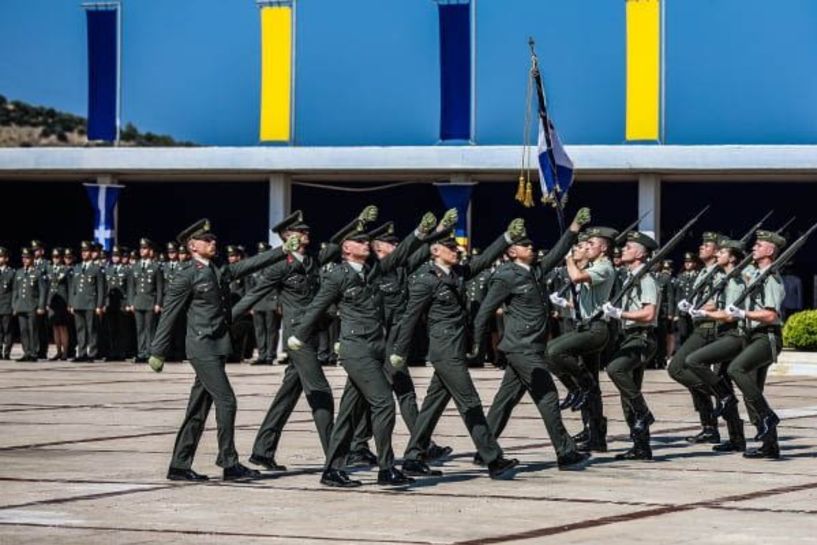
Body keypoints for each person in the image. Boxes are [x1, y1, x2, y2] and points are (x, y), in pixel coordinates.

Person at [288, 206, 437, 487]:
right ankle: (386, 468)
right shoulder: (338, 276)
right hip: (356, 349)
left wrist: (422, 233)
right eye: (360, 241)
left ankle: (332, 470)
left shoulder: (372, 271)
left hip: (377, 347)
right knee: (383, 404)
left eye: (367, 241)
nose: (366, 244)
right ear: (346, 247)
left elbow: (402, 252)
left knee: (348, 414)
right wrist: (299, 335)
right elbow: (318, 306)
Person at [148, 218, 294, 482]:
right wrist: (157, 350)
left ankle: (179, 465)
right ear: (193, 246)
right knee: (227, 401)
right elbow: (169, 314)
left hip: (216, 346)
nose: (213, 243)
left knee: (198, 409)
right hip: (201, 346)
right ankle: (228, 462)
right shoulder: (186, 275)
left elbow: (247, 266)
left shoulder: (216, 270)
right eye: (207, 240)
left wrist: (281, 251)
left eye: (213, 239)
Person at [389, 218, 528, 480]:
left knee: (431, 407)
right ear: (435, 250)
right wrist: (399, 351)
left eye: (456, 248)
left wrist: (507, 238)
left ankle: (413, 458)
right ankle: (493, 458)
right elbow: (409, 318)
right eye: (450, 248)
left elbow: (485, 260)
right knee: (470, 403)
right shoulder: (425, 281)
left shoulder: (457, 275)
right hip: (444, 350)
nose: (456, 251)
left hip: (454, 347)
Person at [471, 208, 591, 468]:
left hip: (530, 347)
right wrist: (476, 345)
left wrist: (573, 229)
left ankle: (485, 450)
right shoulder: (505, 276)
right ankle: (565, 451)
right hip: (521, 347)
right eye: (524, 245)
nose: (531, 247)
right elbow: (485, 312)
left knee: (505, 400)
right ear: (512, 251)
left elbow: (558, 253)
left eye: (531, 244)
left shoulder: (533, 271)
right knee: (547, 397)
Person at [230, 210, 337, 471]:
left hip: (311, 335)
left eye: (307, 231)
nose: (307, 234)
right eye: (301, 232)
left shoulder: (311, 259)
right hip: (297, 339)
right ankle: (337, 457)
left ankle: (262, 451)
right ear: (288, 236)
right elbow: (253, 295)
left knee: (287, 395)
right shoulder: (280, 265)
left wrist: (359, 223)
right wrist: (223, 321)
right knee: (321, 392)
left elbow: (336, 245)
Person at [547, 226, 619, 452]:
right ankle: (596, 434)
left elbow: (577, 277)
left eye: (591, 244)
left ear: (603, 248)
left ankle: (579, 387)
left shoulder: (605, 268)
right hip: (584, 326)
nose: (586, 248)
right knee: (594, 388)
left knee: (551, 351)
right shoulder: (592, 266)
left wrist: (569, 258)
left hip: (595, 330)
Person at [722, 230, 787, 459]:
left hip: (766, 336)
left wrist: (744, 313)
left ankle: (768, 416)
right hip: (752, 336)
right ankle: (770, 444)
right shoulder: (756, 273)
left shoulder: (771, 278)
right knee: (752, 391)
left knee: (735, 369)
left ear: (770, 251)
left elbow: (771, 315)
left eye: (759, 246)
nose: (753, 248)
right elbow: (737, 274)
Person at [682, 239, 750, 453]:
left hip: (731, 334)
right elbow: (718, 304)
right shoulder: (726, 279)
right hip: (722, 332)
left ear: (732, 257)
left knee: (694, 362)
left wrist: (704, 313)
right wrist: (697, 307)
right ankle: (737, 438)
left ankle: (724, 401)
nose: (718, 253)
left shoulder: (736, 280)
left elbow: (729, 314)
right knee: (724, 385)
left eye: (722, 251)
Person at [601, 231, 660, 460]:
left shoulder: (646, 279)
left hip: (643, 336)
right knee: (628, 395)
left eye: (628, 247)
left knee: (615, 368)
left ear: (640, 253)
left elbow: (648, 313)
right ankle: (641, 446)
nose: (623, 250)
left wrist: (620, 313)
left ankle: (644, 413)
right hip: (629, 336)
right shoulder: (629, 276)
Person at [670, 233, 724, 445]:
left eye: (707, 245)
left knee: (677, 367)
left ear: (718, 251)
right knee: (693, 374)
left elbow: (719, 301)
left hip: (709, 328)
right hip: (698, 326)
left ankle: (721, 393)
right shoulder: (703, 272)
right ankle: (709, 426)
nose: (701, 248)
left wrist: (697, 308)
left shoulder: (719, 274)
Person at [69, 241, 105, 362]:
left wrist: (99, 305)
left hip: (90, 303)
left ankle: (92, 353)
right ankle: (82, 353)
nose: (84, 253)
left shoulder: (96, 269)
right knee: (80, 329)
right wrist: (71, 303)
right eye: (83, 251)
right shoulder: (77, 267)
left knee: (91, 329)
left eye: (87, 251)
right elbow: (73, 288)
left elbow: (101, 289)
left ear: (91, 252)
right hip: (78, 302)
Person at [128, 238, 163, 363]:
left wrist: (158, 303)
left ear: (150, 250)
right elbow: (131, 287)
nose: (142, 251)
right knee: (140, 329)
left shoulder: (155, 267)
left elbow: (159, 287)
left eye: (145, 248)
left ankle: (149, 352)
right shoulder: (135, 266)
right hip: (138, 302)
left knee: (150, 329)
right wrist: (131, 302)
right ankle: (141, 352)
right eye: (141, 248)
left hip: (150, 302)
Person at [12, 248, 46, 362]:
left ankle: (34, 353)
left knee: (33, 330)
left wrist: (41, 306)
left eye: (27, 258)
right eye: (23, 258)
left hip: (32, 305)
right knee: (23, 330)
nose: (25, 260)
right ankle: (26, 352)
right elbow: (15, 291)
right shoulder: (19, 272)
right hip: (21, 305)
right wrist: (14, 305)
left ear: (32, 258)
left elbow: (42, 291)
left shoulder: (37, 272)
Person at [103, 246, 130, 361]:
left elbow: (129, 288)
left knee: (121, 329)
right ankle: (112, 352)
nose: (115, 258)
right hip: (110, 303)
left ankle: (121, 352)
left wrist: (128, 303)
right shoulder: (108, 269)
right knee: (111, 329)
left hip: (122, 304)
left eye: (117, 256)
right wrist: (103, 303)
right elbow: (105, 288)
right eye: (113, 256)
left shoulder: (126, 270)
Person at [46, 247, 71, 361]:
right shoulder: (50, 269)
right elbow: (47, 286)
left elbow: (70, 287)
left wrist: (70, 303)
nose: (55, 259)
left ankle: (65, 352)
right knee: (55, 327)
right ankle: (58, 351)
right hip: (53, 301)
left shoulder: (65, 269)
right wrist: (47, 302)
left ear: (61, 258)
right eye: (53, 257)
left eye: (57, 257)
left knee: (63, 327)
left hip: (63, 301)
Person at [0, 247, 13, 360]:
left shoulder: (11, 272)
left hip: (6, 305)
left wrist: (13, 306)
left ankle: (7, 352)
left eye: (1, 257)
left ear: (6, 258)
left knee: (7, 330)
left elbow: (14, 290)